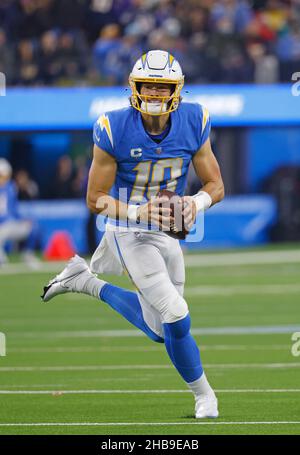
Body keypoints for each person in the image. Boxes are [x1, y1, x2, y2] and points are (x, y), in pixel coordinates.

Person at [41, 50, 225, 419]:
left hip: (166, 231)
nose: (155, 94)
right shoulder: (113, 127)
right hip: (128, 227)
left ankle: (85, 282)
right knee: (176, 313)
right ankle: (205, 396)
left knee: (161, 330)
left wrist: (196, 203)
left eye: (163, 87)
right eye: (147, 86)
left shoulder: (195, 119)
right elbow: (94, 199)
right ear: (133, 87)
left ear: (177, 90)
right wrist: (137, 211)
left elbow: (216, 184)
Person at [0, 158, 38, 266]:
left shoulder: (10, 188)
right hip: (2, 226)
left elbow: (13, 211)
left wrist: (22, 219)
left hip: (10, 225)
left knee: (32, 227)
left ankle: (28, 254)